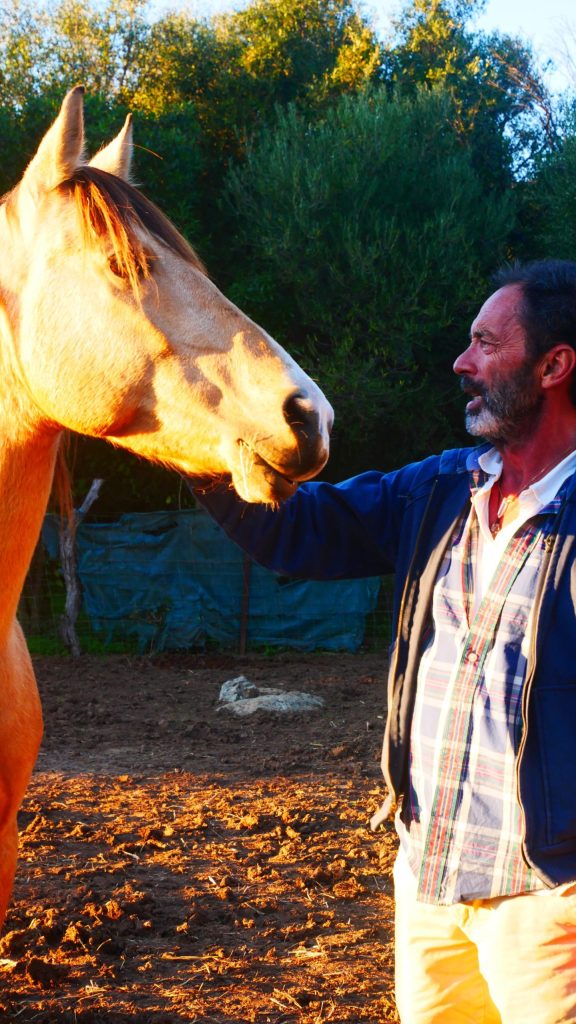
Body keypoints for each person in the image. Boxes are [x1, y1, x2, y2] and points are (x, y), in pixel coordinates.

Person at [190, 258, 576, 1024]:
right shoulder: (439, 490)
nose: (461, 362)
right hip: (429, 882)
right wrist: (194, 446)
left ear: (554, 366)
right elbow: (298, 529)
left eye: (486, 343)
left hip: (547, 901)